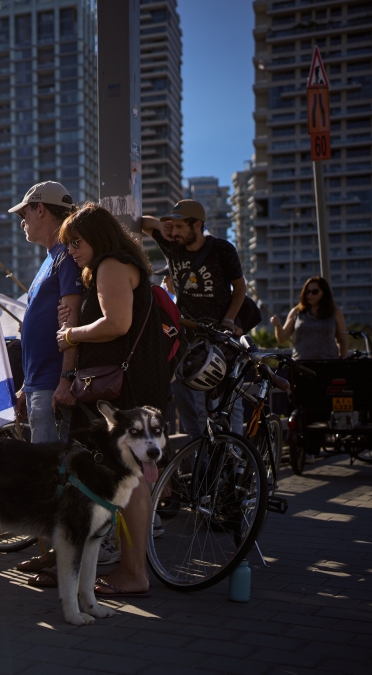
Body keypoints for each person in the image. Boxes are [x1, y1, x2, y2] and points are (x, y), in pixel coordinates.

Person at [55, 203, 170, 599]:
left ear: (98, 237)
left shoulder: (110, 266)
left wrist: (71, 335)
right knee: (131, 479)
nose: (72, 250)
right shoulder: (119, 264)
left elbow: (116, 324)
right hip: (136, 387)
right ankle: (131, 568)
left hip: (127, 392)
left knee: (131, 482)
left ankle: (134, 572)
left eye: (76, 241)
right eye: (68, 244)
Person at [7, 181, 82, 575]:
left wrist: (65, 377)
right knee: (46, 474)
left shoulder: (66, 259)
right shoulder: (52, 259)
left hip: (53, 383)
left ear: (42, 210)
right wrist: (27, 385)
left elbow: (72, 319)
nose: (21, 221)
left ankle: (62, 559)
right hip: (41, 383)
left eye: (24, 213)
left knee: (54, 476)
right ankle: (51, 553)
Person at [141, 199, 247, 438]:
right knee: (193, 406)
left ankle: (239, 458)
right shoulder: (172, 245)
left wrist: (229, 320)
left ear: (197, 225)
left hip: (221, 339)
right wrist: (163, 226)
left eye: (180, 227)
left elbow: (240, 288)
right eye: (173, 227)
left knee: (230, 402)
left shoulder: (222, 249)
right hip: (187, 338)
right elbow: (142, 223)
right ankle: (201, 463)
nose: (174, 232)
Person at [271, 277, 349, 360]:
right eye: (307, 292)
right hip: (302, 365)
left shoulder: (335, 312)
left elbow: (342, 340)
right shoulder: (296, 311)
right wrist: (277, 326)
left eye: (314, 292)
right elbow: (282, 339)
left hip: (329, 364)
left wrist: (344, 363)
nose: (310, 295)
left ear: (324, 292)